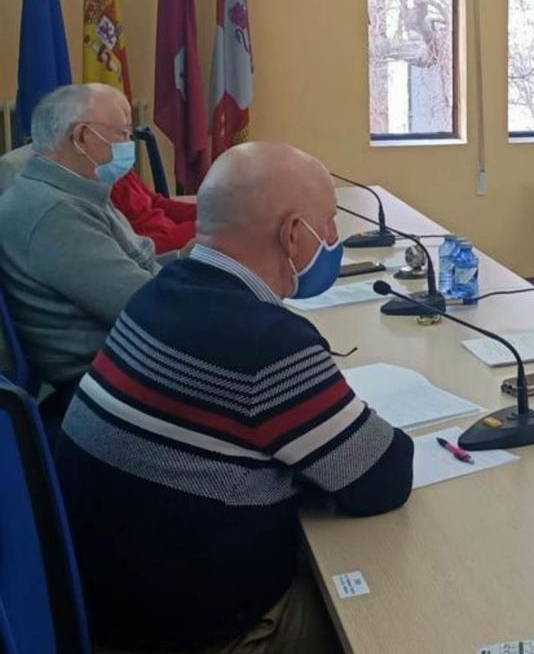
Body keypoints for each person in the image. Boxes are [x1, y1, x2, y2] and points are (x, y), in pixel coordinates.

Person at [54, 142, 416, 653]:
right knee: (394, 611)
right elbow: (382, 480)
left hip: (106, 604)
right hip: (205, 635)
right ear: (293, 234)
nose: (335, 238)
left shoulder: (158, 291)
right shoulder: (267, 344)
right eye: (329, 222)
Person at [0, 84, 174, 417]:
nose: (128, 146)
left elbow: (139, 265)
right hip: (109, 388)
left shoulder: (77, 191)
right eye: (123, 134)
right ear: (80, 137)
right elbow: (145, 306)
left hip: (128, 365)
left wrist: (186, 260)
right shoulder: (52, 212)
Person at [110, 170, 198, 252]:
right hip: (157, 255)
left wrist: (204, 212)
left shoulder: (121, 172)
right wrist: (201, 228)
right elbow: (135, 248)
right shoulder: (102, 196)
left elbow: (156, 202)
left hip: (174, 237)